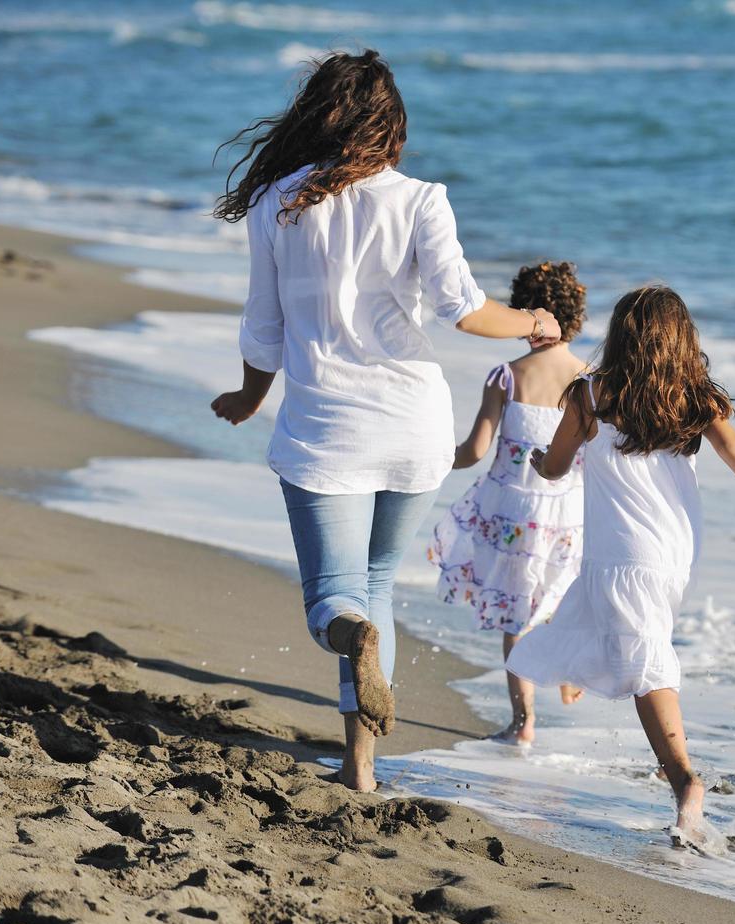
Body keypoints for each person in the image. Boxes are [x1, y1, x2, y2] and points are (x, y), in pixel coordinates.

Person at [207, 50, 562, 791]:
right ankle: (360, 768)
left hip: (325, 428)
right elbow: (465, 312)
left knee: (332, 605)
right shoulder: (422, 199)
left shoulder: (279, 201)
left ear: (317, 116)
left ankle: (352, 648)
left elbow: (263, 323)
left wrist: (248, 397)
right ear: (391, 124)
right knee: (376, 584)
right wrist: (533, 320)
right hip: (414, 424)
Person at [507, 285, 735, 840]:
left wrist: (542, 464)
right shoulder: (690, 395)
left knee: (645, 665)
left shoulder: (590, 394)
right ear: (681, 340)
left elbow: (558, 466)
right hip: (677, 552)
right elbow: (734, 448)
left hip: (623, 552)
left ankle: (685, 781)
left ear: (620, 336)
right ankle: (669, 755)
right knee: (632, 644)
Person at [429, 260, 590, 744]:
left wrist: (434, 459)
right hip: (569, 512)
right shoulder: (590, 379)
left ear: (525, 313)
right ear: (576, 317)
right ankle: (567, 668)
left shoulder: (506, 376)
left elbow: (476, 450)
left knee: (516, 618)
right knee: (561, 599)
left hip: (514, 518)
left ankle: (524, 724)